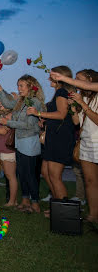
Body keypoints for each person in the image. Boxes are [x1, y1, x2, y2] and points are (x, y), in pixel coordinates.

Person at [27, 66, 76, 217]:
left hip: (61, 138)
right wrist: (44, 120)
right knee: (45, 172)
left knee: (55, 175)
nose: (49, 78)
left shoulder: (62, 92)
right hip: (52, 136)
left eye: (52, 75)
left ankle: (64, 213)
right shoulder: (57, 94)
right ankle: (57, 205)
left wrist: (40, 113)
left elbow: (62, 114)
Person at [0, 75, 45, 213]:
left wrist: (8, 123)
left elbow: (28, 125)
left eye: (22, 86)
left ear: (30, 86)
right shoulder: (21, 101)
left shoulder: (34, 102)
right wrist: (0, 90)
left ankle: (35, 203)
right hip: (20, 142)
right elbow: (8, 104)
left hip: (29, 142)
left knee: (29, 174)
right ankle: (25, 200)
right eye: (18, 85)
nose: (19, 88)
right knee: (22, 173)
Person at [67, 69, 98, 223]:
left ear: (90, 79)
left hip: (97, 141)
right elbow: (76, 123)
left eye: (79, 79)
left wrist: (82, 104)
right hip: (86, 142)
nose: (77, 83)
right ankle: (93, 215)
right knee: (90, 181)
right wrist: (73, 108)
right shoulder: (83, 98)